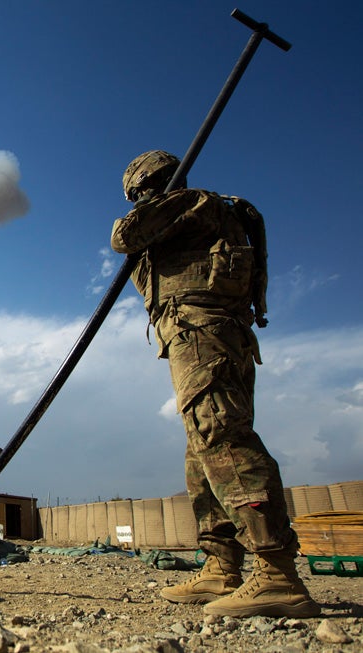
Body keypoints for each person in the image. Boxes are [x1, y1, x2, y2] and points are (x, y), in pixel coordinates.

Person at [110, 150, 319, 618]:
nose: (139, 199)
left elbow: (124, 236)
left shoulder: (192, 203)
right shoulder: (198, 211)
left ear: (147, 185)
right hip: (203, 336)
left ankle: (277, 574)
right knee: (202, 449)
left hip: (203, 334)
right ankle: (221, 566)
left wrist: (146, 207)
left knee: (222, 438)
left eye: (140, 192)